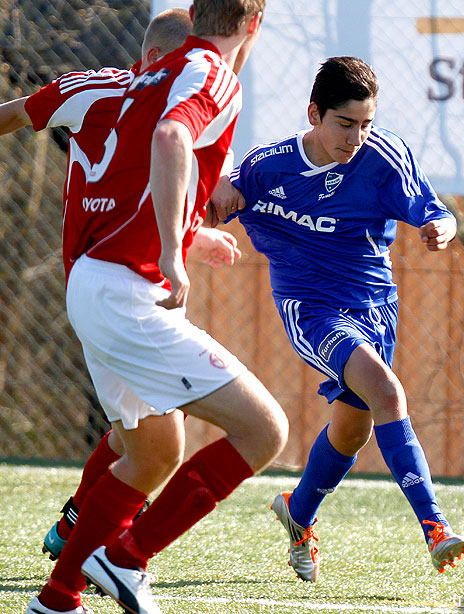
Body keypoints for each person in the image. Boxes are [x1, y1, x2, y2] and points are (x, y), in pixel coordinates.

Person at [25, 2, 288, 614]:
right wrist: (175, 249)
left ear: (197, 12)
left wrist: (186, 233)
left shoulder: (146, 79)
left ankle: (58, 596)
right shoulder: (211, 71)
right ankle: (123, 558)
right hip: (124, 292)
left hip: (96, 284)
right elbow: (172, 138)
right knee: (263, 430)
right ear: (254, 25)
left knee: (154, 451)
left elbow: (131, 181)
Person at [211, 56, 464, 583]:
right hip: (310, 307)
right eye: (345, 124)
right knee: (388, 393)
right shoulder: (270, 168)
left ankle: (298, 513)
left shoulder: (383, 158)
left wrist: (443, 226)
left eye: (366, 123)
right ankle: (435, 527)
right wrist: (218, 187)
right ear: (314, 114)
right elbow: (212, 187)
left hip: (376, 307)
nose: (357, 137)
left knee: (354, 430)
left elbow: (435, 209)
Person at [0, 8, 240, 566]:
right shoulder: (113, 89)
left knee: (141, 428)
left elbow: (138, 189)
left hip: (129, 279)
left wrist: (191, 236)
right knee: (161, 437)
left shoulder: (168, 107)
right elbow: (14, 115)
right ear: (157, 60)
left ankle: (81, 533)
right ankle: (102, 554)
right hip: (111, 283)